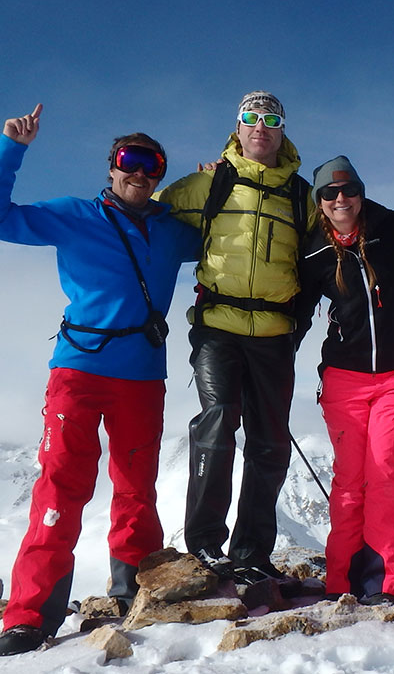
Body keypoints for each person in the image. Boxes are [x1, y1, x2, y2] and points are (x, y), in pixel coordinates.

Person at [0, 104, 200, 656]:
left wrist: (218, 179)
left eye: (152, 166)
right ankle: (30, 616)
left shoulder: (173, 230)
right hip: (79, 369)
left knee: (136, 488)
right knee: (60, 487)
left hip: (143, 375)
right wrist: (12, 147)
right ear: (112, 167)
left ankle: (131, 592)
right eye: (129, 161)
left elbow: (228, 238)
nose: (139, 173)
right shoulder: (74, 215)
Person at [155, 91, 317, 583]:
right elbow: (145, 213)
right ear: (238, 126)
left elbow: (326, 246)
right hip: (217, 327)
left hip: (274, 331)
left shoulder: (302, 194)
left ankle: (252, 553)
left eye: (271, 119)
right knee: (218, 421)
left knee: (269, 442)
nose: (261, 127)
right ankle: (205, 544)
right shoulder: (209, 183)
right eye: (251, 118)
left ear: (282, 130)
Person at [292, 156, 394, 606]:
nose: (342, 199)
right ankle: (340, 583)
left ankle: (386, 584)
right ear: (319, 202)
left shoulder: (391, 228)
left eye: (349, 189)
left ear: (361, 191)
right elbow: (296, 315)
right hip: (343, 378)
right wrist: (267, 363)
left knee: (386, 475)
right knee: (349, 481)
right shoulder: (313, 251)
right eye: (330, 193)